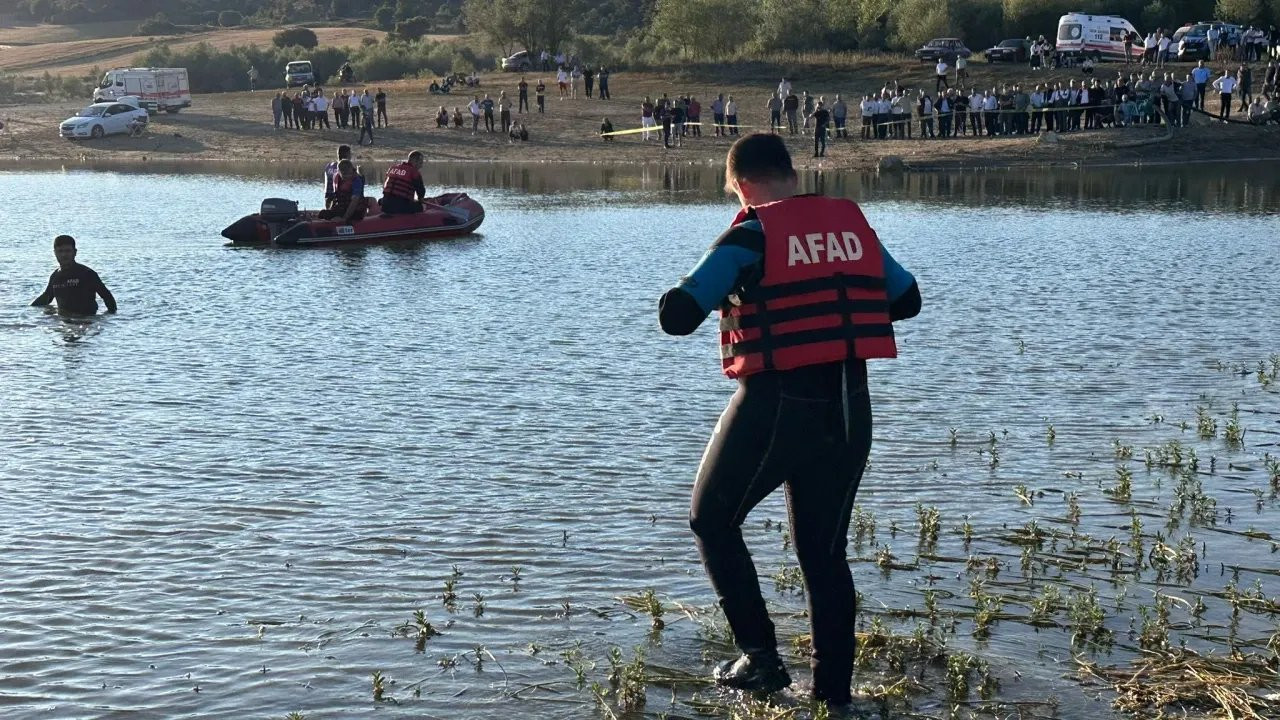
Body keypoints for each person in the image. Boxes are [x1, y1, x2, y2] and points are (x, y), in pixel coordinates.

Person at [657, 133, 920, 710]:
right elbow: (907, 300)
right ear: (790, 174)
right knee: (824, 555)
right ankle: (834, 696)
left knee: (711, 520)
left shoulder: (750, 232)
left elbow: (678, 315)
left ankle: (761, 658)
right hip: (851, 408)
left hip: (777, 404)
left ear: (739, 183)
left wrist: (719, 288)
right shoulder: (852, 226)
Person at [31, 235, 117, 316]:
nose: (64, 255)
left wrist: (108, 319)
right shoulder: (55, 276)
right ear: (55, 253)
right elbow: (46, 298)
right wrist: (28, 310)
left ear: (75, 252)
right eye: (60, 251)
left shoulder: (87, 274)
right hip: (65, 322)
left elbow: (107, 297)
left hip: (86, 321)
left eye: (67, 251)